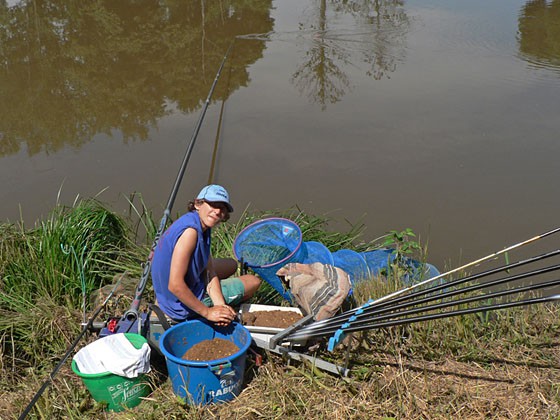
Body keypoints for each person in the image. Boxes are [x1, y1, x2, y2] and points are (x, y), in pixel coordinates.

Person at [151, 184, 261, 326]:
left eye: (222, 208)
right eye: (213, 205)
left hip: (166, 290)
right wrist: (208, 312)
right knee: (253, 282)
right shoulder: (191, 233)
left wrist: (220, 305)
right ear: (198, 204)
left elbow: (209, 270)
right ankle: (203, 303)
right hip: (176, 305)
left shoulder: (197, 222)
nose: (217, 211)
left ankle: (216, 299)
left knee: (231, 264)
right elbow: (175, 285)